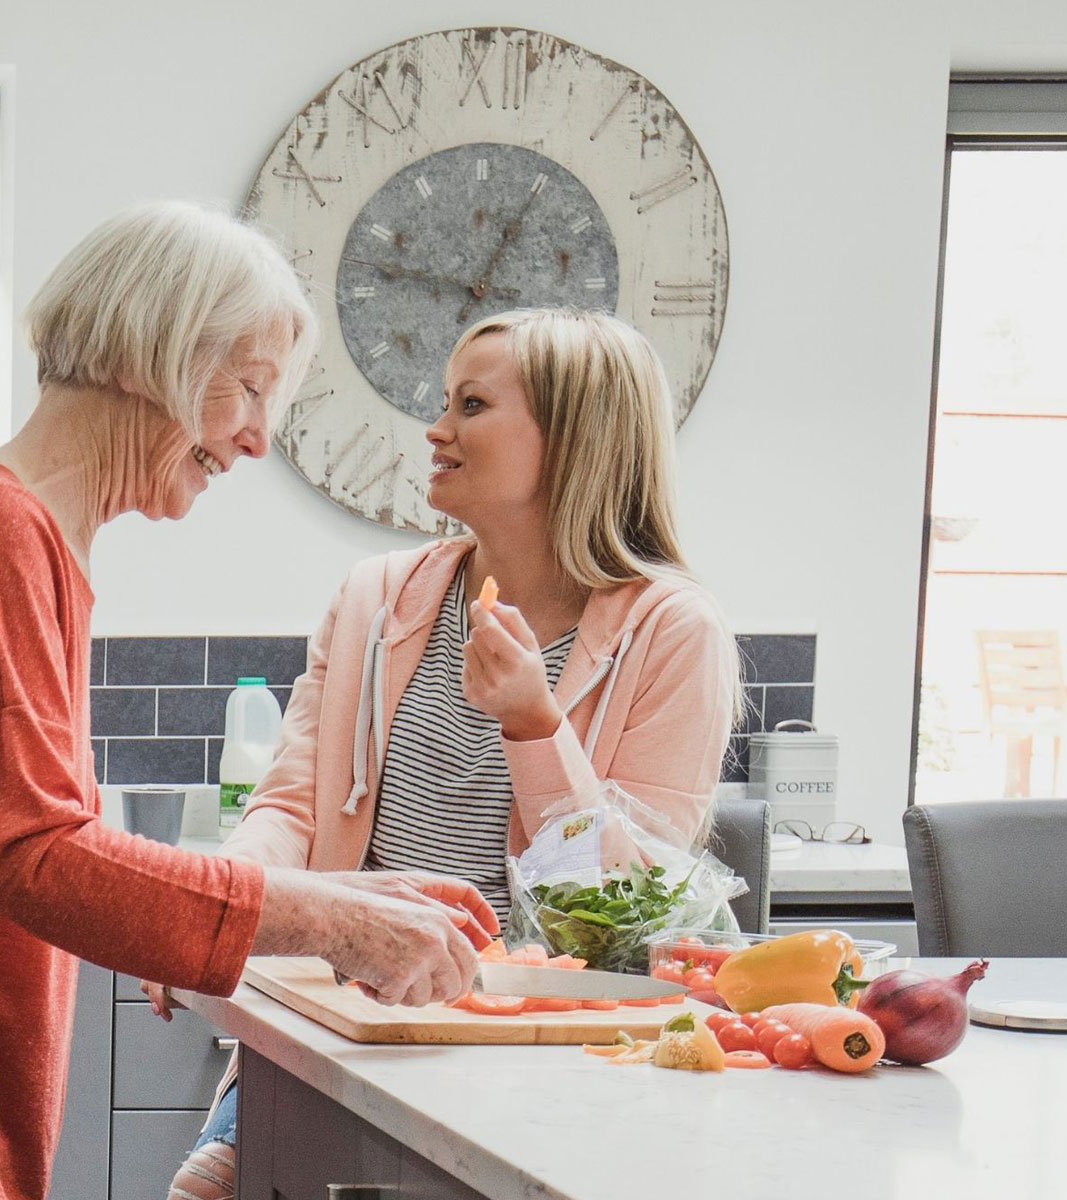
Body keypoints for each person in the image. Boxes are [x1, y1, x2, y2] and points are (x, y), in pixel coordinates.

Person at [0, 201, 499, 1200]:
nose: (257, 441)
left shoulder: (17, 533)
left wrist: (317, 906)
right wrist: (330, 921)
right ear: (157, 353)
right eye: (249, 390)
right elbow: (37, 855)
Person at [157, 308, 741, 1200]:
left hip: (549, 1069)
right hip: (350, 1037)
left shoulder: (672, 630)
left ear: (574, 437)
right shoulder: (375, 598)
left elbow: (631, 914)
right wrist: (215, 917)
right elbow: (290, 810)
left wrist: (534, 728)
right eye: (444, 402)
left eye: (471, 404)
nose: (435, 430)